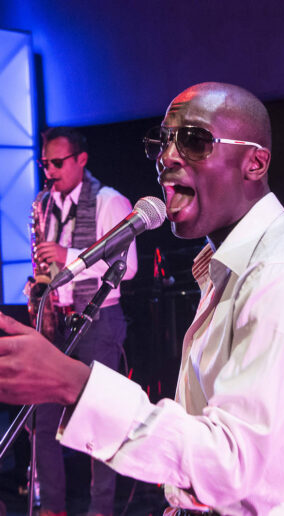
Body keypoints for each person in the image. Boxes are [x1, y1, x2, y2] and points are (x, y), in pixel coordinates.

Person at [0, 83, 284, 515]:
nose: (167, 156)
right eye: (162, 141)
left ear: (255, 163)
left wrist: (73, 384)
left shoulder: (283, 274)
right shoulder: (232, 265)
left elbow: (229, 463)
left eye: (194, 140)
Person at [29, 127, 138, 516]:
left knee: (98, 420)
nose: (50, 172)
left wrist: (67, 255)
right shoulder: (45, 204)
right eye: (45, 164)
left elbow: (128, 267)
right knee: (41, 421)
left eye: (58, 163)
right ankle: (52, 508)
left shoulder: (110, 201)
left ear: (81, 160)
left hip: (99, 320)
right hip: (57, 323)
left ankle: (101, 510)